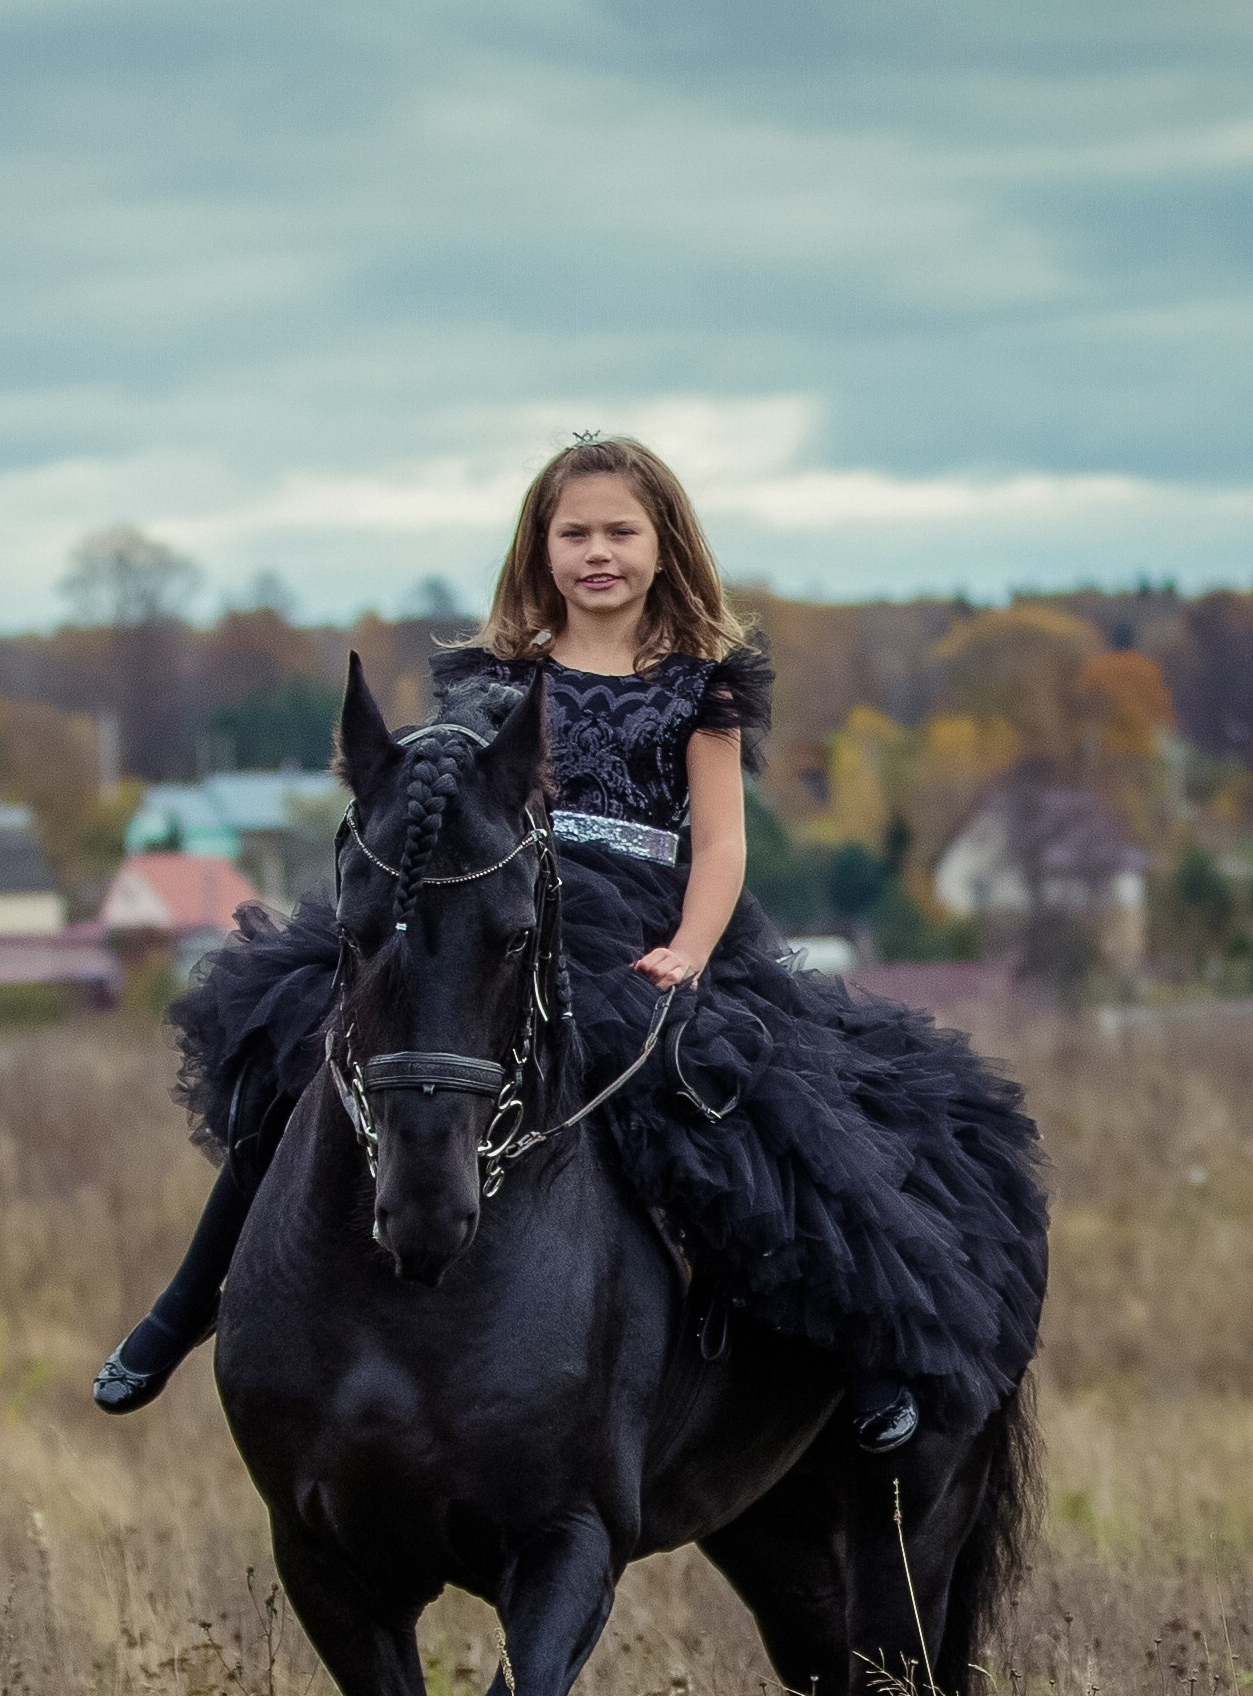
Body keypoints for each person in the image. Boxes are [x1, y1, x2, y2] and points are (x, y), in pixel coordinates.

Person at [95, 436, 1039, 1449]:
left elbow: (719, 845)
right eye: (575, 531)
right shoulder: (494, 678)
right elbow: (447, 810)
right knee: (301, 1053)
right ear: (539, 547)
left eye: (621, 531)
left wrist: (687, 947)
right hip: (501, 913)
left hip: (641, 928)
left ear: (662, 543)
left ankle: (854, 1346)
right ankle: (190, 1301)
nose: (600, 552)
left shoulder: (698, 686)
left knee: (748, 1105)